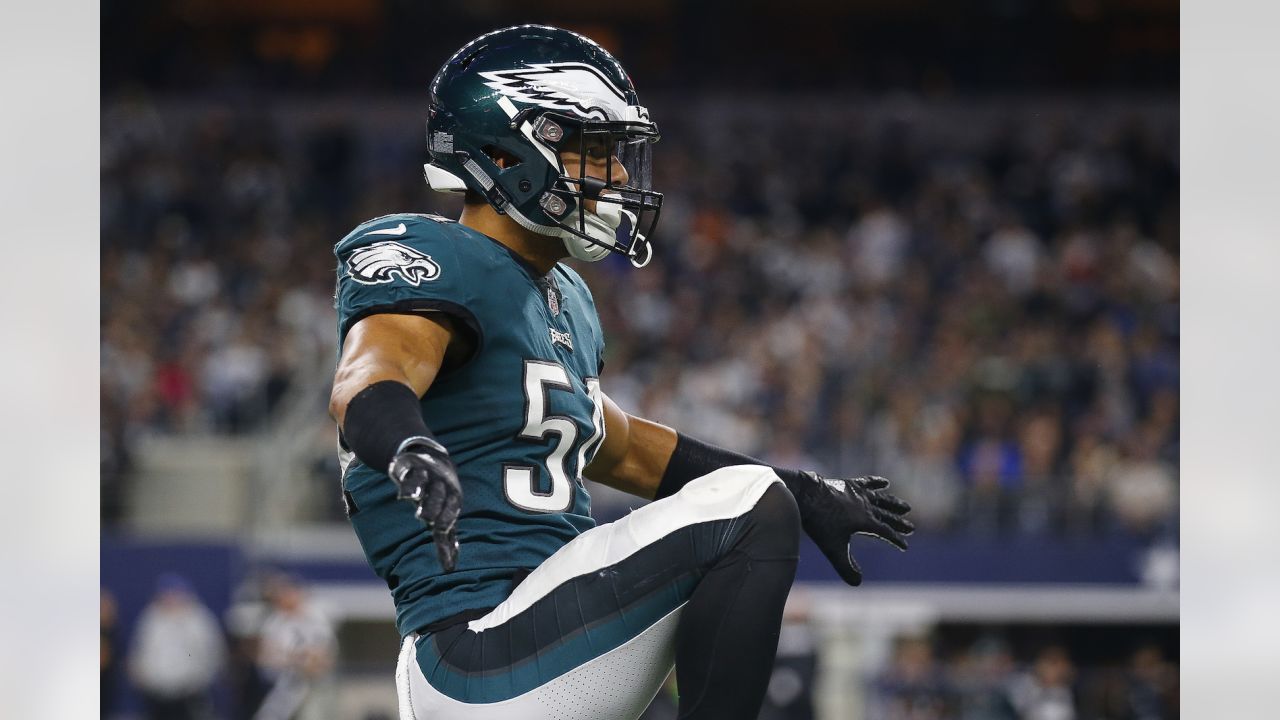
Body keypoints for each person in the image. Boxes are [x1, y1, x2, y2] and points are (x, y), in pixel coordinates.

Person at [328, 24, 914, 720]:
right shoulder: (436, 254)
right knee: (748, 505)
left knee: (758, 497)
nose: (611, 177)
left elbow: (627, 446)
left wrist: (804, 490)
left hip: (546, 643)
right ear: (507, 149)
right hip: (479, 653)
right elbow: (370, 372)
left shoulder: (562, 295)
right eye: (592, 151)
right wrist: (405, 442)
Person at [128, 573, 225, 720]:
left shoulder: (199, 619)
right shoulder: (151, 617)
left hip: (189, 693)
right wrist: (140, 674)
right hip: (156, 694)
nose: (170, 598)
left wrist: (200, 680)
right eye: (166, 594)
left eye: (174, 593)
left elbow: (212, 653)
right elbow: (140, 650)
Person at [252, 573, 337, 720]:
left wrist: (303, 659)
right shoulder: (274, 622)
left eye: (287, 592)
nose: (283, 598)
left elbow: (322, 656)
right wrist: (294, 659)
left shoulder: (315, 615)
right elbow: (264, 657)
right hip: (283, 684)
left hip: (316, 685)